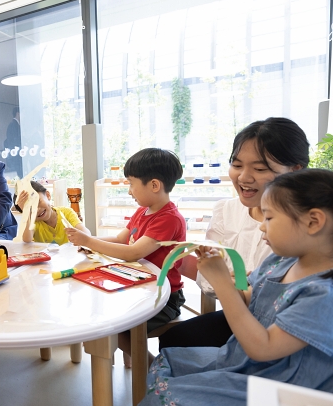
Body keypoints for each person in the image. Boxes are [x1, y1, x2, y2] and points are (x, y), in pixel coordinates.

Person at [140, 169, 333, 406]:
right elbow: (251, 299)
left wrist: (222, 283)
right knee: (170, 361)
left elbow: (263, 348)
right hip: (245, 361)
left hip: (281, 383)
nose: (261, 227)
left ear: (313, 222)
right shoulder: (280, 261)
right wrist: (228, 282)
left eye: (269, 218)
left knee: (169, 395)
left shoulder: (323, 295)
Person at [160, 117, 309, 349]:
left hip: (284, 328)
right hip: (242, 314)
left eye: (260, 169)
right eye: (237, 165)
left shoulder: (307, 230)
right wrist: (227, 281)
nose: (243, 177)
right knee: (176, 340)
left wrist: (231, 281)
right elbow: (211, 281)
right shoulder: (226, 211)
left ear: (295, 170)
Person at [65, 148, 186, 365]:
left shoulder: (169, 218)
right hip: (140, 286)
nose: (129, 191)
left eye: (131, 183)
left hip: (164, 297)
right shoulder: (143, 211)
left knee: (115, 327)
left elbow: (133, 252)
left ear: (154, 185)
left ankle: (152, 368)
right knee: (105, 314)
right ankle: (143, 364)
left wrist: (90, 242)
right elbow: (121, 239)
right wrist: (89, 242)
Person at [15, 180, 89, 244]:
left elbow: (86, 232)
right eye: (30, 209)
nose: (37, 210)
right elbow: (27, 240)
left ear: (47, 195)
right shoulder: (33, 223)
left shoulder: (66, 213)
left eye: (37, 202)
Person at [3, 106, 22, 178]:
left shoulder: (13, 125)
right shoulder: (13, 125)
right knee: (18, 175)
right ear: (17, 113)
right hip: (16, 157)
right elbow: (14, 142)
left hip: (15, 156)